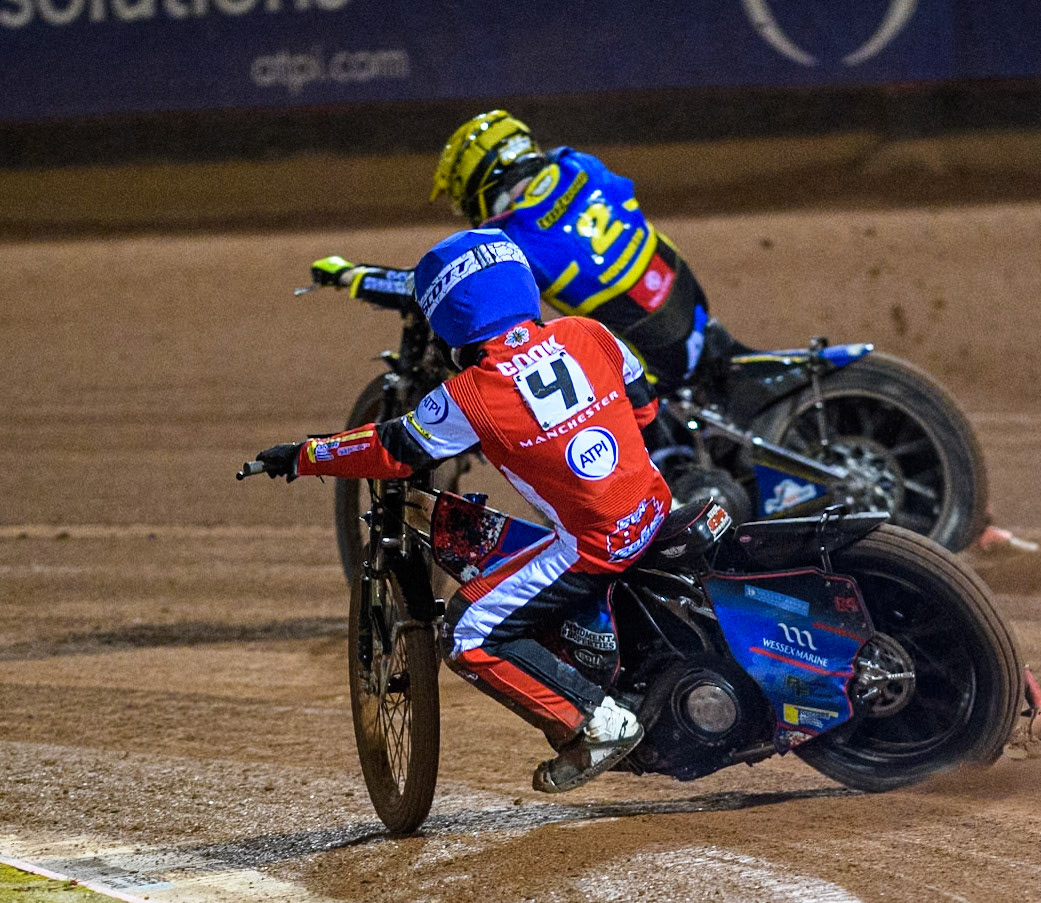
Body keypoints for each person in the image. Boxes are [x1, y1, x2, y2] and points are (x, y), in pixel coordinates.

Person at [256, 228, 672, 793]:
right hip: (656, 505)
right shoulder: (588, 333)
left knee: (467, 633)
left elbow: (391, 451)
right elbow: (643, 404)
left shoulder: (470, 394)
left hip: (593, 544)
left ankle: (595, 724)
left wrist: (305, 455)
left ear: (446, 315)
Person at [311, 109, 720, 398]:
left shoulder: (512, 237)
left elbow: (427, 288)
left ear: (482, 184)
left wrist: (354, 276)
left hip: (657, 362)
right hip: (693, 312)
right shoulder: (582, 166)